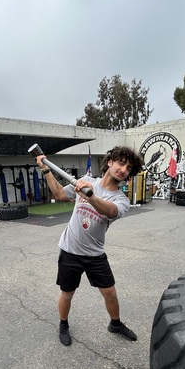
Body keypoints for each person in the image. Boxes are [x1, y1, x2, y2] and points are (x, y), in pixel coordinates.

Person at [36, 146, 144, 346]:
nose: (123, 169)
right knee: (67, 293)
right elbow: (59, 194)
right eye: (121, 163)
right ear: (110, 162)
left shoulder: (121, 199)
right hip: (70, 250)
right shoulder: (86, 181)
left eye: (128, 168)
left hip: (95, 254)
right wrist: (46, 169)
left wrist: (91, 196)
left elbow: (110, 212)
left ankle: (115, 324)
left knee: (110, 293)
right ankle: (63, 324)